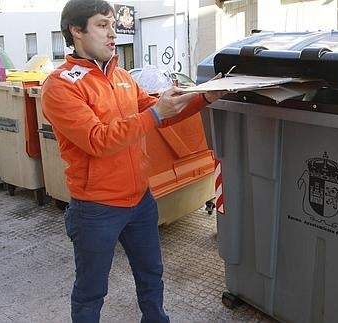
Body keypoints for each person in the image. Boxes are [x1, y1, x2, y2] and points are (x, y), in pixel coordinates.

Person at [40, 0, 225, 322]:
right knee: (91, 291)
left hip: (141, 199)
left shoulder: (123, 76)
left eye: (113, 25)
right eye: (102, 25)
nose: (113, 34)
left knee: (152, 275)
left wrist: (205, 97)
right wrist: (154, 113)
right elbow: (98, 139)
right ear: (76, 30)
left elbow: (159, 113)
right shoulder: (60, 86)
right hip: (96, 208)